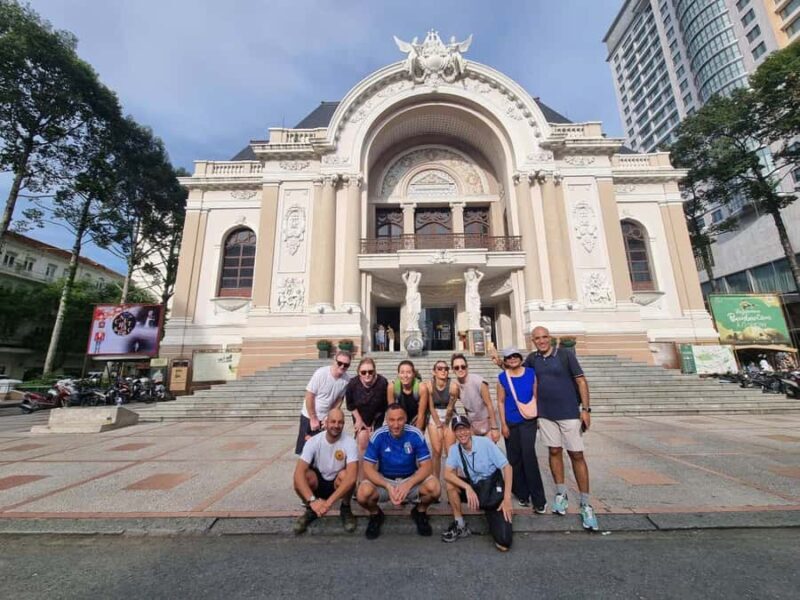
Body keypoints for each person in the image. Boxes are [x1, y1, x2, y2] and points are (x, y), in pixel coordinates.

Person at [524, 326, 599, 531]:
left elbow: (581, 381)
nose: (541, 341)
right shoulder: (532, 359)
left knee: (576, 454)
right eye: (537, 338)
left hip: (569, 413)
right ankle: (561, 493)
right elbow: (519, 373)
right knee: (554, 451)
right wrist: (500, 364)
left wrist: (586, 409)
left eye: (544, 337)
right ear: (533, 341)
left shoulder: (565, 355)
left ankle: (585, 502)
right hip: (546, 414)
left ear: (551, 338)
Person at [356, 403, 441, 540]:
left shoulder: (415, 434)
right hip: (385, 480)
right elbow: (367, 467)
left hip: (410, 480)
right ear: (386, 420)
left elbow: (427, 466)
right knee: (362, 494)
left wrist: (408, 484)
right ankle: (376, 514)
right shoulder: (378, 435)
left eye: (400, 419)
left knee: (435, 488)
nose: (396, 425)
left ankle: (420, 511)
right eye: (392, 420)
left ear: (406, 419)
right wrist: (387, 486)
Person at [442, 415, 513, 551]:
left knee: (504, 543)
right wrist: (467, 487)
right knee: (450, 484)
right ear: (454, 433)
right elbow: (447, 474)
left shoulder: (485, 443)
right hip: (474, 486)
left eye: (464, 428)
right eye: (458, 430)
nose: (462, 433)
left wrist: (507, 498)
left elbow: (507, 467)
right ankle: (460, 524)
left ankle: (492, 513)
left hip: (491, 487)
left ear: (470, 429)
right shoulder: (454, 450)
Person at [496, 347, 547, 513]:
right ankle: (522, 493)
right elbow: (501, 401)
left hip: (528, 421)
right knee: (514, 459)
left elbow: (536, 395)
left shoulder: (531, 373)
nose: (512, 359)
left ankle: (539, 498)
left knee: (529, 456)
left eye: (515, 356)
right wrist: (503, 424)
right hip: (511, 421)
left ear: (520, 357)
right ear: (505, 361)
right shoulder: (503, 377)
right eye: (508, 357)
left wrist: (539, 416)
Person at [293, 408, 358, 534]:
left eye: (340, 422)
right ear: (326, 422)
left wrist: (328, 504)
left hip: (337, 484)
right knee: (302, 477)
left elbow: (352, 477)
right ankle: (310, 509)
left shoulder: (350, 442)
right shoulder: (314, 441)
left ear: (344, 424)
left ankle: (345, 508)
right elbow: (298, 473)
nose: (336, 425)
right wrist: (313, 500)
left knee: (347, 475)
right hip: (319, 482)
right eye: (333, 422)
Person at [295, 350, 352, 455]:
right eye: (340, 363)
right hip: (309, 417)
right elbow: (309, 396)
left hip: (325, 420)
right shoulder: (321, 373)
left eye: (346, 365)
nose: (342, 366)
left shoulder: (346, 380)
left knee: (322, 451)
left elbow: (339, 400)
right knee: (306, 452)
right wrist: (313, 418)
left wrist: (329, 417)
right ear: (334, 361)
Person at [345, 357, 389, 479]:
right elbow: (350, 404)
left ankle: (376, 476)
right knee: (363, 440)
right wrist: (359, 421)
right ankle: (361, 478)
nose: (367, 374)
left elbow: (385, 405)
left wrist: (374, 425)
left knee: (376, 441)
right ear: (359, 372)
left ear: (375, 371)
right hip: (360, 417)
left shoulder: (382, 382)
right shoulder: (353, 383)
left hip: (377, 417)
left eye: (370, 371)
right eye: (363, 372)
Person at [423, 360, 460, 479]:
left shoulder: (453, 386)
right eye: (440, 368)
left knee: (450, 451)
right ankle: (435, 480)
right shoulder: (429, 385)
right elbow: (431, 407)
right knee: (437, 450)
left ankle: (453, 481)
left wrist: (445, 426)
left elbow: (450, 408)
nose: (443, 371)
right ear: (434, 372)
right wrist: (439, 426)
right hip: (435, 415)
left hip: (449, 415)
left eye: (446, 369)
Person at [451, 353, 500, 442]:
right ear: (453, 370)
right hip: (473, 424)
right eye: (457, 367)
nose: (460, 369)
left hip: (488, 420)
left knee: (487, 452)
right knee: (475, 452)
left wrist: (494, 428)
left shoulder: (478, 381)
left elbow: (489, 404)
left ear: (467, 367)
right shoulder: (456, 386)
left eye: (463, 366)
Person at [387, 360, 428, 430]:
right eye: (402, 372)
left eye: (409, 372)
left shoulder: (422, 388)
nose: (405, 376)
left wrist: (417, 434)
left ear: (413, 374)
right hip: (400, 418)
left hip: (416, 418)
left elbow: (421, 415)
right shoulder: (392, 387)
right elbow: (392, 413)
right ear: (398, 374)